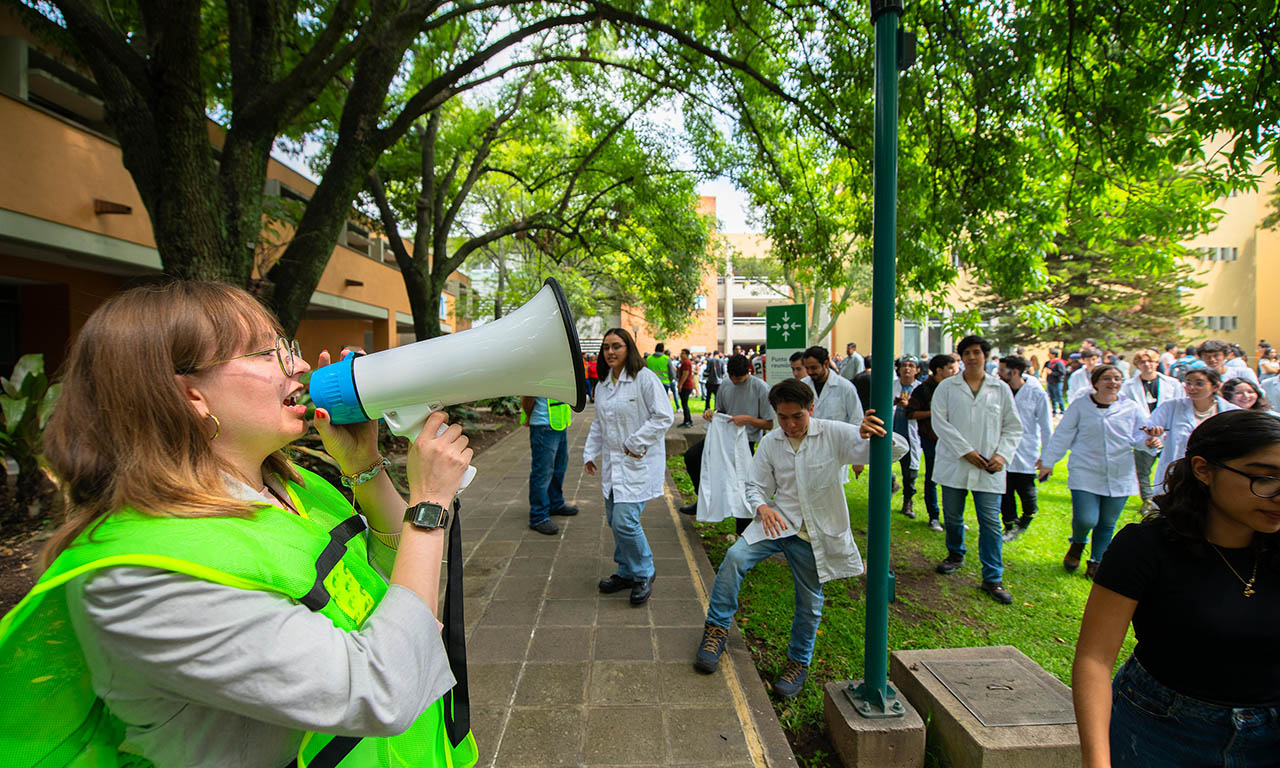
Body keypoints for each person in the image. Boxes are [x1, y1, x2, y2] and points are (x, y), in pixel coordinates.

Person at [0, 281, 475, 767]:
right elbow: (383, 690)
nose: (302, 366)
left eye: (287, 348)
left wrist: (364, 465)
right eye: (265, 354)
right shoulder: (145, 578)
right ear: (190, 396)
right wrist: (430, 505)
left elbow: (395, 581)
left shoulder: (292, 488)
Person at [1072, 410, 1280, 768]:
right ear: (1203, 470)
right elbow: (1094, 659)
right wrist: (1097, 762)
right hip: (1161, 729)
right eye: (1265, 477)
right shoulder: (1146, 548)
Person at [691, 378, 905, 699]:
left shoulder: (833, 433)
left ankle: (798, 662)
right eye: (782, 417)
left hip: (814, 534)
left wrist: (872, 431)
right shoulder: (771, 442)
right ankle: (716, 629)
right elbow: (755, 485)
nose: (790, 424)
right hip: (777, 524)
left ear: (811, 410)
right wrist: (762, 507)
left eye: (797, 417)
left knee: (810, 602)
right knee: (735, 557)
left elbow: (895, 450)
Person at [585, 328, 674, 606]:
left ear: (629, 348)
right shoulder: (602, 385)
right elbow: (599, 423)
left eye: (617, 346)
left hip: (638, 463)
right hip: (614, 465)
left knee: (625, 520)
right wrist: (590, 453)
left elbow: (664, 417)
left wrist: (635, 442)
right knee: (615, 521)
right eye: (606, 347)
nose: (610, 352)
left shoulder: (644, 379)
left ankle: (644, 572)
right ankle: (626, 571)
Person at [931, 335, 1024, 604]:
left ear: (985, 355)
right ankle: (955, 554)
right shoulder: (947, 387)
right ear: (961, 357)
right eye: (966, 353)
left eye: (976, 352)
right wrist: (966, 451)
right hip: (955, 462)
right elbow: (940, 423)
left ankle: (993, 577)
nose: (972, 357)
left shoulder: (1000, 389)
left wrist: (1002, 455)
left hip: (989, 466)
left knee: (991, 523)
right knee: (952, 515)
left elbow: (1013, 426)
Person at [1038, 365, 1148, 578]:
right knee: (1086, 519)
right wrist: (1048, 462)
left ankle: (1096, 561)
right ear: (1095, 382)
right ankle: (1078, 542)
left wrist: (1151, 440)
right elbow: (1063, 435)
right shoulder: (1081, 405)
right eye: (1107, 378)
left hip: (1119, 473)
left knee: (1107, 523)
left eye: (1117, 378)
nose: (1113, 382)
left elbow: (1142, 437)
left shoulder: (1132, 408)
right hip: (1085, 471)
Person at [678, 354, 775, 534]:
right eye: (731, 377)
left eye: (739, 378)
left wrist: (747, 420)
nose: (735, 381)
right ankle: (705, 498)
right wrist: (710, 413)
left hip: (747, 440)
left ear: (748, 372)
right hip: (723, 436)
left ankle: (743, 527)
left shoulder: (761, 388)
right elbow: (720, 410)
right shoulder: (725, 384)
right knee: (692, 457)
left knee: (744, 482)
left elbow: (769, 423)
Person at [1137, 366, 1240, 497]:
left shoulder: (1230, 411)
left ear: (1215, 386)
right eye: (1188, 383)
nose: (1192, 388)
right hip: (1179, 473)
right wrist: (1152, 439)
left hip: (1215, 471)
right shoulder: (1171, 407)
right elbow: (1143, 432)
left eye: (1199, 383)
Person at [1119, 349, 1184, 514]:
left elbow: (1180, 407)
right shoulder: (1128, 386)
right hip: (1144, 433)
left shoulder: (1173, 384)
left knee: (1173, 467)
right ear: (1137, 365)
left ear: (1157, 363)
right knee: (1142, 469)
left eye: (1151, 361)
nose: (1147, 365)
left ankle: (1171, 497)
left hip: (1168, 433)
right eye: (1142, 362)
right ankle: (1148, 500)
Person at [996, 355, 1052, 541]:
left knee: (1027, 493)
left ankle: (1027, 516)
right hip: (1001, 449)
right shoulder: (999, 390)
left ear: (1014, 372)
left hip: (1026, 450)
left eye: (1002, 370)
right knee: (1005, 491)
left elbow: (1046, 427)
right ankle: (1009, 525)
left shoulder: (1036, 393)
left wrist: (1046, 457)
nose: (998, 373)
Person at [906, 354, 960, 531]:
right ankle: (934, 516)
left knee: (954, 478)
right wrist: (934, 414)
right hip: (932, 439)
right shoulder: (924, 390)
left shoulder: (957, 388)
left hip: (954, 440)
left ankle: (953, 517)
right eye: (951, 368)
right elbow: (911, 413)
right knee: (933, 477)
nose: (955, 371)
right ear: (939, 370)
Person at [802, 345, 867, 480]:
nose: (809, 372)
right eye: (807, 368)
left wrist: (858, 457)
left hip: (836, 449)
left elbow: (856, 420)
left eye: (814, 368)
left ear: (826, 363)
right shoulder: (802, 386)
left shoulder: (845, 387)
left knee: (833, 493)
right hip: (808, 448)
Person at [522, 396, 579, 535]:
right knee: (542, 473)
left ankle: (555, 503)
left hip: (559, 423)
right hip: (543, 425)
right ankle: (538, 516)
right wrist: (529, 416)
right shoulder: (535, 373)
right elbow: (528, 397)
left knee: (559, 468)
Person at [893, 356, 923, 518]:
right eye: (904, 365)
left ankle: (908, 502)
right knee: (883, 465)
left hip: (912, 434)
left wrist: (908, 406)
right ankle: (891, 485)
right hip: (893, 432)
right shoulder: (890, 386)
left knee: (909, 471)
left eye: (911, 366)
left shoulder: (920, 389)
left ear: (917, 370)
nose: (907, 368)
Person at [646, 342, 676, 411]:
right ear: (663, 349)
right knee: (663, 402)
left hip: (651, 383)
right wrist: (671, 380)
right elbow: (672, 372)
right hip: (664, 383)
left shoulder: (649, 358)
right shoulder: (666, 359)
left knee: (653, 401)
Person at [1043, 348, 1068, 416]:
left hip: (1057, 382)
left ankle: (1062, 410)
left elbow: (1062, 372)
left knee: (1058, 396)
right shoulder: (1049, 362)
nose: (1048, 355)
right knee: (1052, 397)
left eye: (1050, 353)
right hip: (1050, 382)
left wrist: (1052, 373)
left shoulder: (1059, 363)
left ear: (1053, 354)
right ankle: (1054, 410)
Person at [677, 348, 696, 428]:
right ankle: (687, 420)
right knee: (684, 404)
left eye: (683, 353)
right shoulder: (685, 362)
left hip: (686, 386)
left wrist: (680, 385)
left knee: (685, 404)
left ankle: (687, 421)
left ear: (687, 354)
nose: (681, 355)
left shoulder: (686, 362)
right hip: (686, 385)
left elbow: (685, 374)